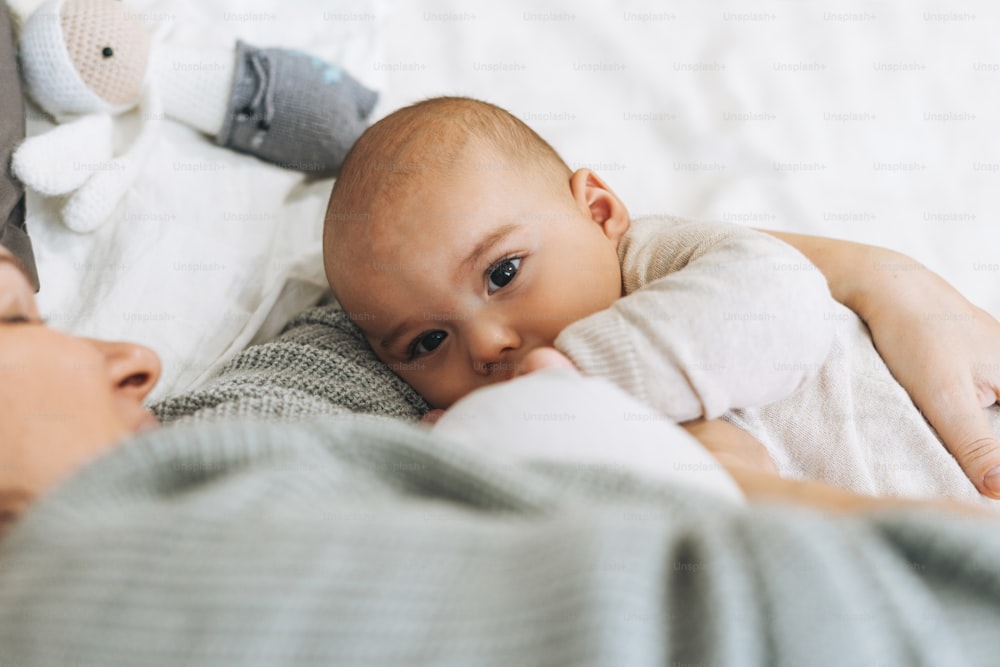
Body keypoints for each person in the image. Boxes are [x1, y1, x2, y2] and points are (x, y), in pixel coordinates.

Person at [323, 95, 1000, 504]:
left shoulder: (662, 259)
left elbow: (781, 305)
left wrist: (570, 383)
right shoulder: (503, 431)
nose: (487, 343)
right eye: (426, 342)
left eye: (502, 273)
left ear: (600, 210)